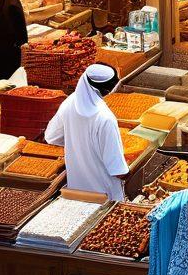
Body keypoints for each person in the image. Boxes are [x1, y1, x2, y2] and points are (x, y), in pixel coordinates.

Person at [44, 63, 128, 198]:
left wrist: (77, 143)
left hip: (77, 190)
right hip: (105, 195)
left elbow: (51, 137)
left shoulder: (69, 103)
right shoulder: (105, 119)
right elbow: (117, 169)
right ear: (108, 90)